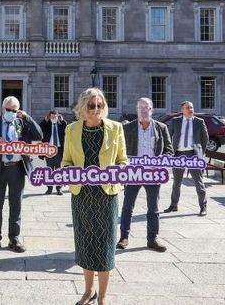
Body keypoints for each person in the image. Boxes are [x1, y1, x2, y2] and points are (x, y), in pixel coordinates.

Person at [62, 88, 127, 305]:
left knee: (105, 244)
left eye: (100, 105)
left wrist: (118, 170)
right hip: (82, 195)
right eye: (91, 106)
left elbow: (123, 160)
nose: (96, 109)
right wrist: (68, 172)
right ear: (82, 108)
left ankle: (104, 295)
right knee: (85, 243)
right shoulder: (71, 130)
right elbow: (66, 161)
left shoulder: (115, 128)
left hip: (105, 195)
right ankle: (89, 291)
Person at [0, 96, 43, 254]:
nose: (11, 113)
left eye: (14, 110)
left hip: (17, 168)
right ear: (2, 109)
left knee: (16, 204)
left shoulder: (22, 123)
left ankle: (14, 238)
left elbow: (39, 136)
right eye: (8, 110)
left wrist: (27, 117)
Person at [118, 97, 173, 253]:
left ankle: (152, 238)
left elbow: (169, 150)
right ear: (136, 110)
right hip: (133, 174)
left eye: (146, 108)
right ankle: (124, 237)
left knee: (153, 208)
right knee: (127, 206)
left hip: (152, 174)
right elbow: (120, 151)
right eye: (140, 107)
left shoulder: (161, 128)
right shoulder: (127, 128)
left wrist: (165, 158)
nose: (143, 110)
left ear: (152, 110)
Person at [163, 101, 209, 216]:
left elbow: (205, 139)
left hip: (193, 155)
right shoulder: (176, 121)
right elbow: (168, 137)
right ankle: (174, 205)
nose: (190, 109)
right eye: (187, 108)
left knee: (198, 182)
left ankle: (203, 207)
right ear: (182, 110)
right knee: (176, 183)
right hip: (178, 154)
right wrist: (169, 152)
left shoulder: (199, 122)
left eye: (192, 107)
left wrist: (200, 153)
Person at [39, 110, 67, 195]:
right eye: (52, 117)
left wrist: (62, 121)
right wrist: (45, 120)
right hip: (49, 150)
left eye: (55, 117)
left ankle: (59, 188)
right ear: (49, 117)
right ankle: (49, 188)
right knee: (49, 170)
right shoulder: (47, 125)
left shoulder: (61, 124)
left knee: (59, 170)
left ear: (58, 116)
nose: (54, 118)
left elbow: (68, 128)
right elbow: (39, 128)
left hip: (59, 150)